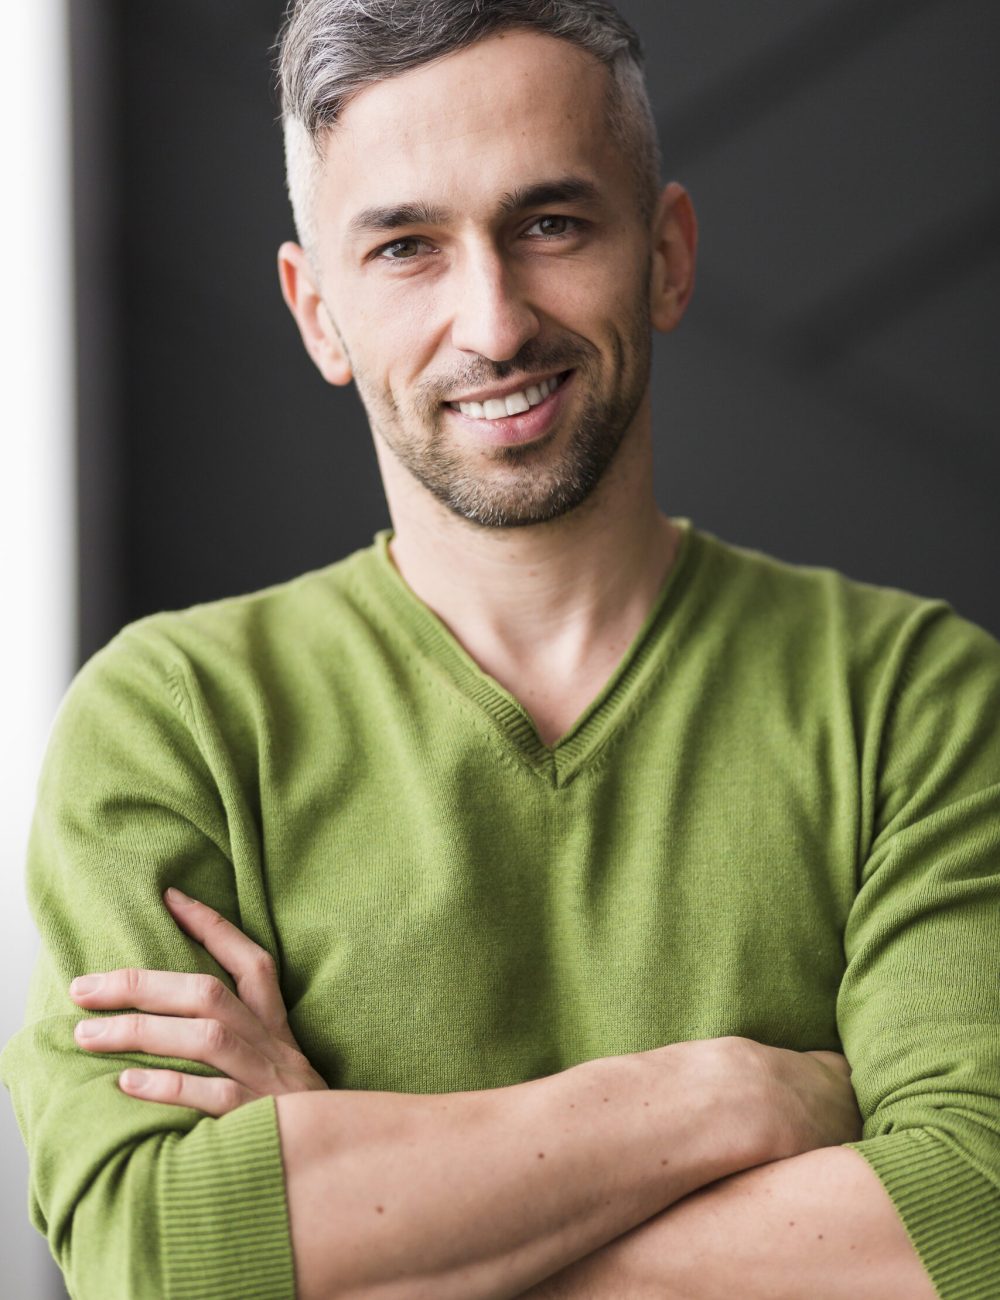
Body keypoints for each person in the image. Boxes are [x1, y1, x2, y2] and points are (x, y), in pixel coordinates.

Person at [2, 1, 998, 1296]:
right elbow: (159, 1249)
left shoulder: (915, 701)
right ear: (319, 314)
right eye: (408, 247)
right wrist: (726, 1098)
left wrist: (371, 1214)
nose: (493, 321)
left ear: (670, 255)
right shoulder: (174, 723)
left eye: (550, 224)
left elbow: (970, 1221)